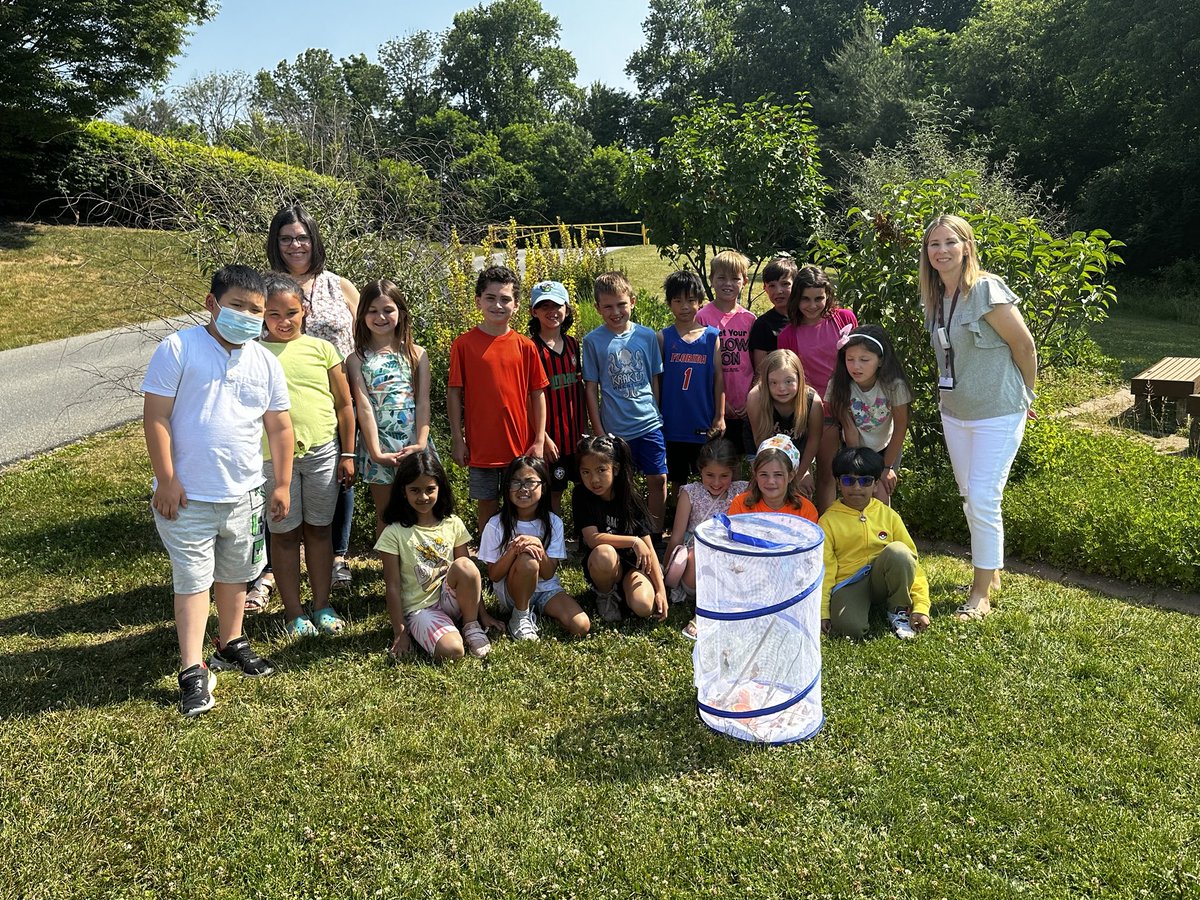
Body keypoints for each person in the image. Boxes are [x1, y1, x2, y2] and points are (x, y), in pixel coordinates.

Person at [142, 264, 292, 717]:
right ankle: (192, 667)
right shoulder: (179, 348)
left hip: (244, 492)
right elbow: (157, 417)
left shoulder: (264, 360)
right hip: (186, 496)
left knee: (236, 573)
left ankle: (231, 640)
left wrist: (281, 482)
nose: (247, 317)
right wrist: (167, 480)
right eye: (237, 307)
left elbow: (280, 425)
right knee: (192, 581)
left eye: (257, 311)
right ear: (212, 304)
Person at [921, 214, 1037, 621]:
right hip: (955, 412)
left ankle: (980, 593)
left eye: (950, 242)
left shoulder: (985, 289)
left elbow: (1024, 345)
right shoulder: (934, 297)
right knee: (971, 496)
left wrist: (1028, 393)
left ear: (966, 246)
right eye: (934, 244)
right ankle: (994, 571)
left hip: (998, 411)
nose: (942, 251)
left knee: (984, 497)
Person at [266, 205, 360, 591]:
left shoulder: (339, 285)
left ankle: (338, 557)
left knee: (339, 476)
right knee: (276, 483)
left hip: (339, 393)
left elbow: (367, 331)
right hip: (280, 400)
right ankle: (271, 568)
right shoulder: (264, 286)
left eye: (302, 237)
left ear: (314, 240)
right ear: (276, 243)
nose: (295, 245)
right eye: (286, 238)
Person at [258, 273, 355, 637]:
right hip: (271, 460)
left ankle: (321, 605)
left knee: (319, 531)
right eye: (273, 315)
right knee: (283, 534)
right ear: (262, 316)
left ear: (306, 310)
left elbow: (345, 406)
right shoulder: (253, 352)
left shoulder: (323, 350)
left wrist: (348, 452)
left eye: (292, 313)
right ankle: (293, 612)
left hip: (323, 454)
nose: (284, 322)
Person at [375, 451, 503, 661]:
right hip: (420, 608)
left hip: (452, 598)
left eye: (429, 489)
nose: (423, 497)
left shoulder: (453, 523)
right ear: (403, 492)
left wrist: (483, 614)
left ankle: (471, 626)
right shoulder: (393, 533)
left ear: (439, 488)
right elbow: (393, 585)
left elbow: (468, 575)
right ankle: (444, 631)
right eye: (415, 490)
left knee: (464, 564)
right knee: (453, 651)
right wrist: (400, 631)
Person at [448, 265, 549, 534]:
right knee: (487, 503)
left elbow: (537, 394)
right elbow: (454, 392)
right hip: (482, 449)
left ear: (516, 305)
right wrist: (458, 440)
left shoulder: (525, 346)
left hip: (521, 447)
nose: (498, 305)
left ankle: (522, 551)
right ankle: (489, 556)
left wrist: (539, 440)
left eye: (505, 299)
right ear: (478, 301)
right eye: (491, 298)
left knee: (523, 502)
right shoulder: (463, 344)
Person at [581, 271, 668, 535]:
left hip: (648, 423)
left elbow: (655, 378)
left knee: (658, 478)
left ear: (633, 301)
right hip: (615, 430)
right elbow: (591, 388)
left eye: (621, 304)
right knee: (618, 484)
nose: (615, 311)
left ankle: (654, 533)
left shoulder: (647, 336)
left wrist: (657, 412)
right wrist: (598, 431)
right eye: (608, 306)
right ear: (598, 308)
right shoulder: (593, 341)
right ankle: (626, 532)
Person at [346, 279, 431, 538]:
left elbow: (423, 401)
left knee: (422, 509)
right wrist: (375, 451)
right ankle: (392, 576)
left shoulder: (416, 353)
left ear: (401, 313)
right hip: (379, 448)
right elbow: (364, 406)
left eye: (388, 309)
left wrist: (420, 442)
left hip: (413, 443)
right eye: (372, 310)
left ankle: (423, 572)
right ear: (362, 315)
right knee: (387, 514)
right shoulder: (356, 358)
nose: (380, 316)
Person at [819, 447, 930, 640]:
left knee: (899, 552)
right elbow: (825, 569)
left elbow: (913, 562)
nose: (857, 487)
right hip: (849, 583)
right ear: (838, 483)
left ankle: (898, 608)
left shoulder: (888, 515)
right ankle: (858, 610)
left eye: (865, 481)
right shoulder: (828, 521)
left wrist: (921, 605)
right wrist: (822, 612)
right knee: (849, 630)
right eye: (848, 480)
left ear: (876, 484)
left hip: (884, 579)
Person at [477, 456, 591, 642]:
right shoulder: (496, 524)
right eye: (516, 482)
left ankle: (536, 612)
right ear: (507, 488)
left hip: (546, 590)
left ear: (543, 487)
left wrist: (539, 547)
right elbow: (494, 575)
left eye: (530, 482)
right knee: (527, 558)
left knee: (581, 626)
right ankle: (520, 615)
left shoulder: (553, 522)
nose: (523, 489)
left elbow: (548, 573)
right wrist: (514, 550)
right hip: (512, 592)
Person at [778, 265, 859, 513]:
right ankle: (820, 525)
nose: (812, 305)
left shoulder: (844, 318)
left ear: (828, 296)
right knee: (822, 474)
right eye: (805, 299)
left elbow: (858, 358)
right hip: (815, 410)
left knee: (849, 470)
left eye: (819, 298)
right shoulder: (789, 334)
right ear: (796, 298)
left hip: (850, 403)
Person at [573, 435, 668, 624]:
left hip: (633, 567)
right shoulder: (581, 496)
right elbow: (592, 539)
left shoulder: (630, 497)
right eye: (586, 472)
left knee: (643, 607)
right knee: (604, 553)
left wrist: (660, 591)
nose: (594, 479)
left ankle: (627, 593)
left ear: (615, 469)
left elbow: (649, 550)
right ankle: (605, 594)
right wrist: (633, 541)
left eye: (601, 470)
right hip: (604, 566)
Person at [663, 437, 747, 639]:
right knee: (700, 555)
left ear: (733, 471)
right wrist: (664, 577)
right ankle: (705, 612)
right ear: (699, 469)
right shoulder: (690, 493)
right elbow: (676, 537)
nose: (716, 482)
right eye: (709, 475)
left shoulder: (742, 491)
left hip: (730, 562)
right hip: (696, 566)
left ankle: (726, 608)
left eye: (724, 475)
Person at [824, 325, 913, 505]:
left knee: (881, 497)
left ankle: (883, 532)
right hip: (852, 447)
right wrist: (859, 464)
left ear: (880, 361)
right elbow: (849, 429)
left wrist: (886, 467)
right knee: (856, 496)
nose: (856, 366)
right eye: (850, 359)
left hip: (886, 449)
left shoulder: (895, 386)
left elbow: (900, 427)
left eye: (864, 359)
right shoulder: (839, 385)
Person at [659, 270, 724, 497]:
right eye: (678, 301)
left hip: (702, 421)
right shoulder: (664, 338)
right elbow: (657, 380)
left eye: (690, 300)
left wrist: (720, 416)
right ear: (669, 304)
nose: (684, 307)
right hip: (673, 422)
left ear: (700, 302)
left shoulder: (712, 337)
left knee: (707, 475)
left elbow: (719, 379)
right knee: (677, 479)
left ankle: (701, 523)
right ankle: (678, 521)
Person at [528, 280, 585, 516]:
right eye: (545, 306)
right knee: (554, 492)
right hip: (552, 438)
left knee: (585, 488)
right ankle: (555, 541)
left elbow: (580, 387)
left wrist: (585, 427)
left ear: (567, 308)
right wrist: (544, 438)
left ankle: (585, 536)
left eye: (557, 305)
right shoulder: (531, 348)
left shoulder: (573, 344)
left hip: (576, 434)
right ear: (534, 311)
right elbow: (529, 399)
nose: (552, 312)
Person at [697, 250, 757, 457]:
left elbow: (755, 363)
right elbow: (701, 367)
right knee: (720, 460)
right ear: (711, 279)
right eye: (721, 277)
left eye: (735, 278)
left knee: (743, 460)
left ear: (744, 281)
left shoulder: (749, 319)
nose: (728, 283)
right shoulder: (702, 317)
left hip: (746, 403)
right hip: (716, 405)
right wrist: (722, 404)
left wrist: (751, 399)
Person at [746, 349, 822, 493]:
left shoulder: (813, 401)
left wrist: (799, 475)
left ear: (800, 379)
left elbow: (813, 442)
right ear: (765, 382)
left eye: (789, 381)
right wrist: (775, 475)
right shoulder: (756, 397)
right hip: (762, 448)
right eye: (773, 382)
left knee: (802, 489)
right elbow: (760, 439)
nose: (781, 388)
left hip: (798, 449)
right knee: (768, 487)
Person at [727, 435, 819, 522]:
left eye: (778, 474)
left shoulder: (806, 511)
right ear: (755, 475)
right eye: (764, 474)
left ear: (790, 476)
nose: (770, 481)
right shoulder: (741, 505)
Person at [748, 253, 799, 373]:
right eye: (772, 286)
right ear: (765, 288)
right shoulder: (763, 325)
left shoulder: (807, 317)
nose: (779, 291)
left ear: (796, 285)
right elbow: (760, 371)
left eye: (785, 284)